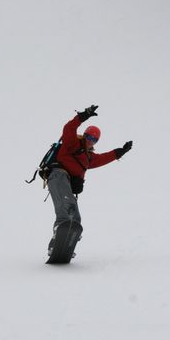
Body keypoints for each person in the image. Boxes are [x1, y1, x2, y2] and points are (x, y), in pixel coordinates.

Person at [47, 105, 133, 252]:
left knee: (75, 217)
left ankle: (66, 245)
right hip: (57, 175)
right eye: (89, 137)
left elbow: (103, 158)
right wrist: (82, 116)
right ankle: (58, 236)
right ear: (84, 135)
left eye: (94, 139)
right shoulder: (72, 143)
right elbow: (69, 128)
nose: (90, 141)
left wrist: (120, 152)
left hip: (67, 183)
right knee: (65, 211)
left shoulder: (88, 158)